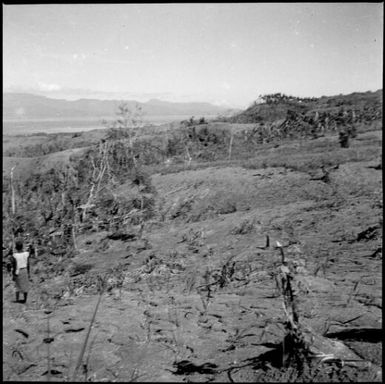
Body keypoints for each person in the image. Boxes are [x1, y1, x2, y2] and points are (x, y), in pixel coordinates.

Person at [11, 239, 32, 304]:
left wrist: (13, 274)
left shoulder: (15, 255)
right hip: (25, 270)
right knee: (25, 285)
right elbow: (28, 264)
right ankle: (25, 299)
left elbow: (14, 265)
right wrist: (28, 272)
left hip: (18, 271)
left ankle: (17, 299)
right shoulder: (26, 254)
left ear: (16, 247)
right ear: (22, 246)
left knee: (17, 285)